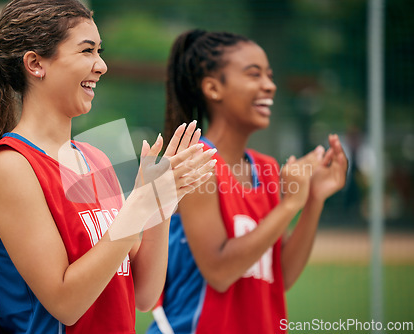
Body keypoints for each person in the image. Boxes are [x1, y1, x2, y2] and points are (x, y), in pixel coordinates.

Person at [0, 1, 216, 333]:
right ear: (35, 63)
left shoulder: (93, 158)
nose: (102, 65)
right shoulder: (10, 166)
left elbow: (144, 293)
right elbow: (66, 303)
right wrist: (139, 204)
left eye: (99, 51)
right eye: (87, 51)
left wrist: (159, 206)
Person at [147, 30, 348, 334]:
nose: (270, 85)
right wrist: (291, 204)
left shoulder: (266, 169)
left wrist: (313, 200)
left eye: (269, 75)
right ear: (213, 88)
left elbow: (279, 275)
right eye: (254, 75)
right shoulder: (194, 162)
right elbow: (220, 271)